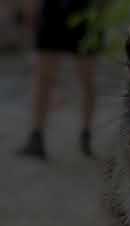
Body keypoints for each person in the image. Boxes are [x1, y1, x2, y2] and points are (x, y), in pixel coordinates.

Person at [18, 0, 102, 159]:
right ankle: (38, 137)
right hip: (60, 12)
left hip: (80, 12)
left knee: (85, 80)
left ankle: (84, 135)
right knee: (45, 79)